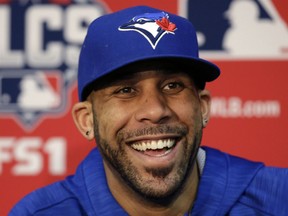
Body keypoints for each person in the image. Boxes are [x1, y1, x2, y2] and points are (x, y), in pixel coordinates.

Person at [9, 5, 288, 216]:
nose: (155, 110)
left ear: (202, 106)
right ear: (86, 120)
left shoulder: (279, 199)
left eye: (172, 85)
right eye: (126, 90)